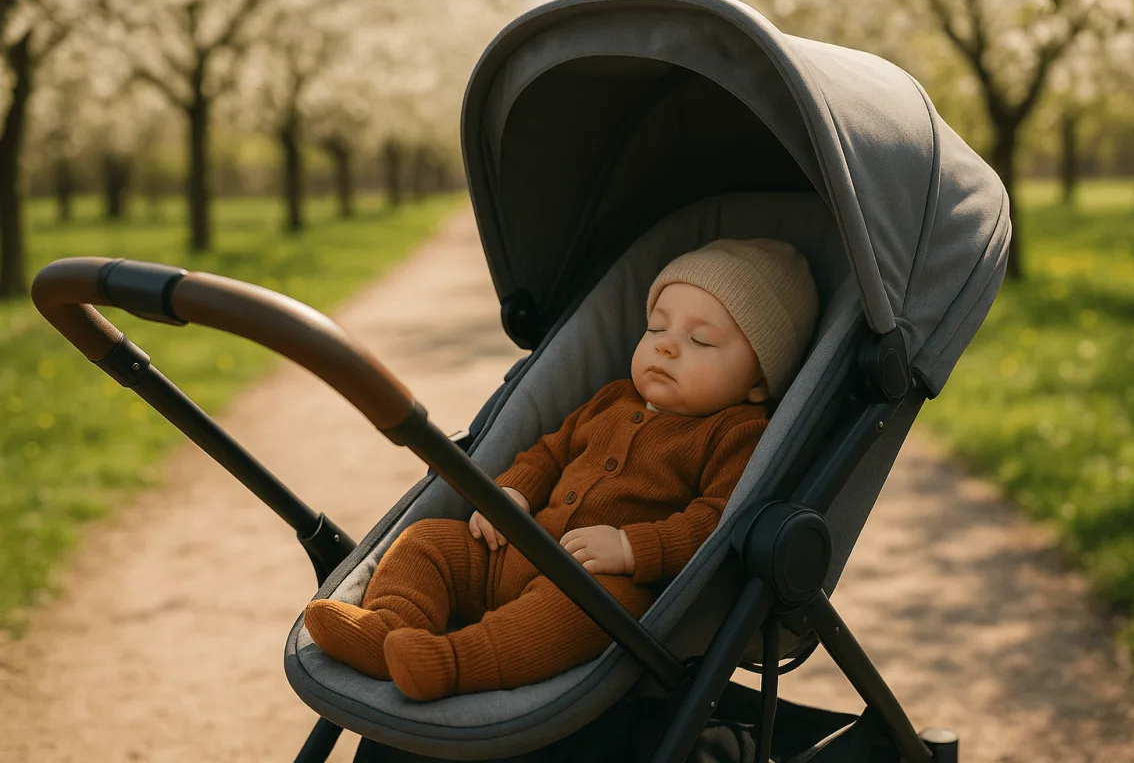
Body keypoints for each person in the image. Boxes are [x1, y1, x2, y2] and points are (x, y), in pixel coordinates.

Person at [304, 238, 819, 701]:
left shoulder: (737, 433)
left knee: (583, 614)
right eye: (656, 327)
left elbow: (716, 520)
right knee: (428, 540)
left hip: (599, 586)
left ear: (758, 381)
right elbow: (549, 453)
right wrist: (514, 493)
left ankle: (454, 662)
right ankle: (388, 628)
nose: (665, 344)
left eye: (700, 340)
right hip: (513, 549)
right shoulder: (612, 398)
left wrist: (632, 548)